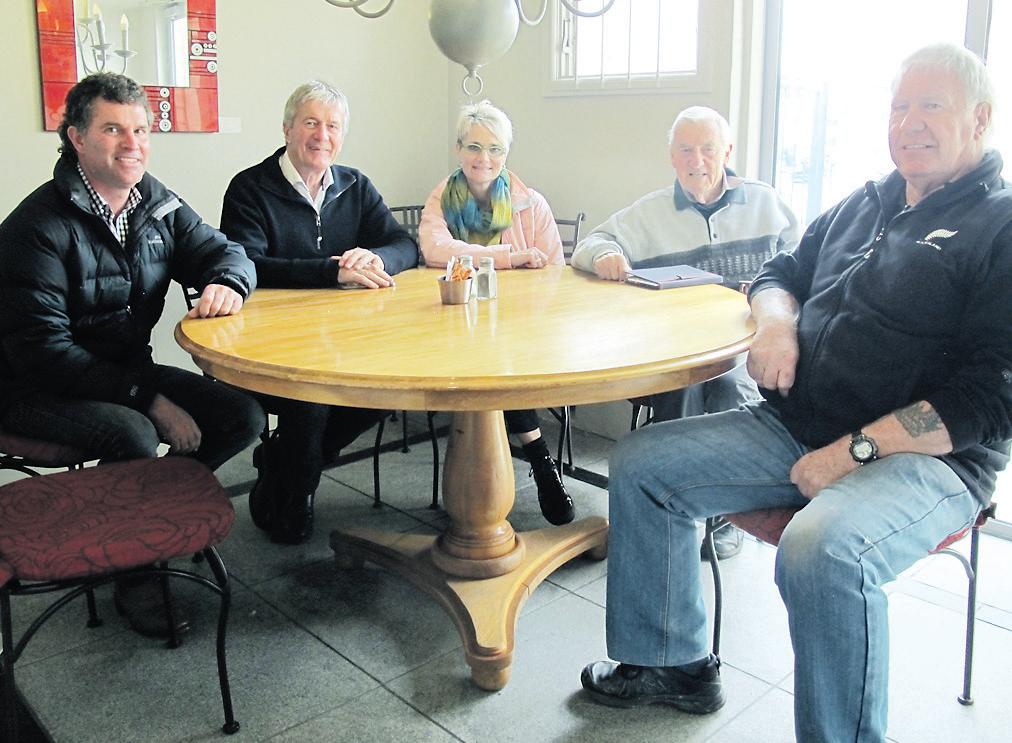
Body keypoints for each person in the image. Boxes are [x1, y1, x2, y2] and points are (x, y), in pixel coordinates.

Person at [581, 43, 1012, 743]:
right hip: (797, 422)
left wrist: (854, 451)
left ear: (980, 119)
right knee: (640, 463)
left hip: (930, 460)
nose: (909, 123)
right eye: (899, 107)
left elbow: (992, 400)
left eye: (931, 106)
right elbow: (781, 270)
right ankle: (671, 664)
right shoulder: (867, 200)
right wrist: (777, 323)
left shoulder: (1000, 224)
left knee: (820, 549)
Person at [0, 72, 265, 638]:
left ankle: (144, 516)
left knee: (242, 416)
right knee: (134, 434)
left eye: (141, 130)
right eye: (113, 129)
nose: (133, 144)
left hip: (120, 370)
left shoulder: (156, 203)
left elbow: (226, 251)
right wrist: (149, 399)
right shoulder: (37, 227)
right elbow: (43, 352)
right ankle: (134, 572)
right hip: (29, 385)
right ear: (76, 137)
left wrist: (227, 281)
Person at [572, 106, 801, 559]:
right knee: (681, 387)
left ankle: (726, 514)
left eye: (708, 149)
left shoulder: (767, 205)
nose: (697, 161)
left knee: (730, 388)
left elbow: (804, 266)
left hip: (747, 348)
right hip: (679, 349)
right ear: (672, 157)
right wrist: (604, 256)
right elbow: (590, 243)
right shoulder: (649, 213)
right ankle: (667, 505)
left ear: (727, 153)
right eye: (686, 150)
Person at [220, 80, 418, 545]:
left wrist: (375, 258)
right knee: (310, 399)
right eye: (311, 123)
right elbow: (247, 264)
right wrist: (331, 272)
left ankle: (285, 463)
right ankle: (299, 490)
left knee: (391, 388)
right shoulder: (250, 188)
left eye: (333, 126)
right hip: (272, 344)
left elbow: (405, 245)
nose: (322, 135)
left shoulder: (355, 185)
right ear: (287, 128)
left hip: (348, 340)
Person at [418, 99, 574, 526]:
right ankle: (541, 461)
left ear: (506, 154)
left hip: (520, 329)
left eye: (494, 149)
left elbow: (555, 273)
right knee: (493, 365)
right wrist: (508, 257)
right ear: (458, 149)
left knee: (501, 364)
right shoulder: (442, 197)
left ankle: (539, 464)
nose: (483, 158)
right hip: (450, 330)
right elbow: (435, 250)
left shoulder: (530, 203)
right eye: (473, 147)